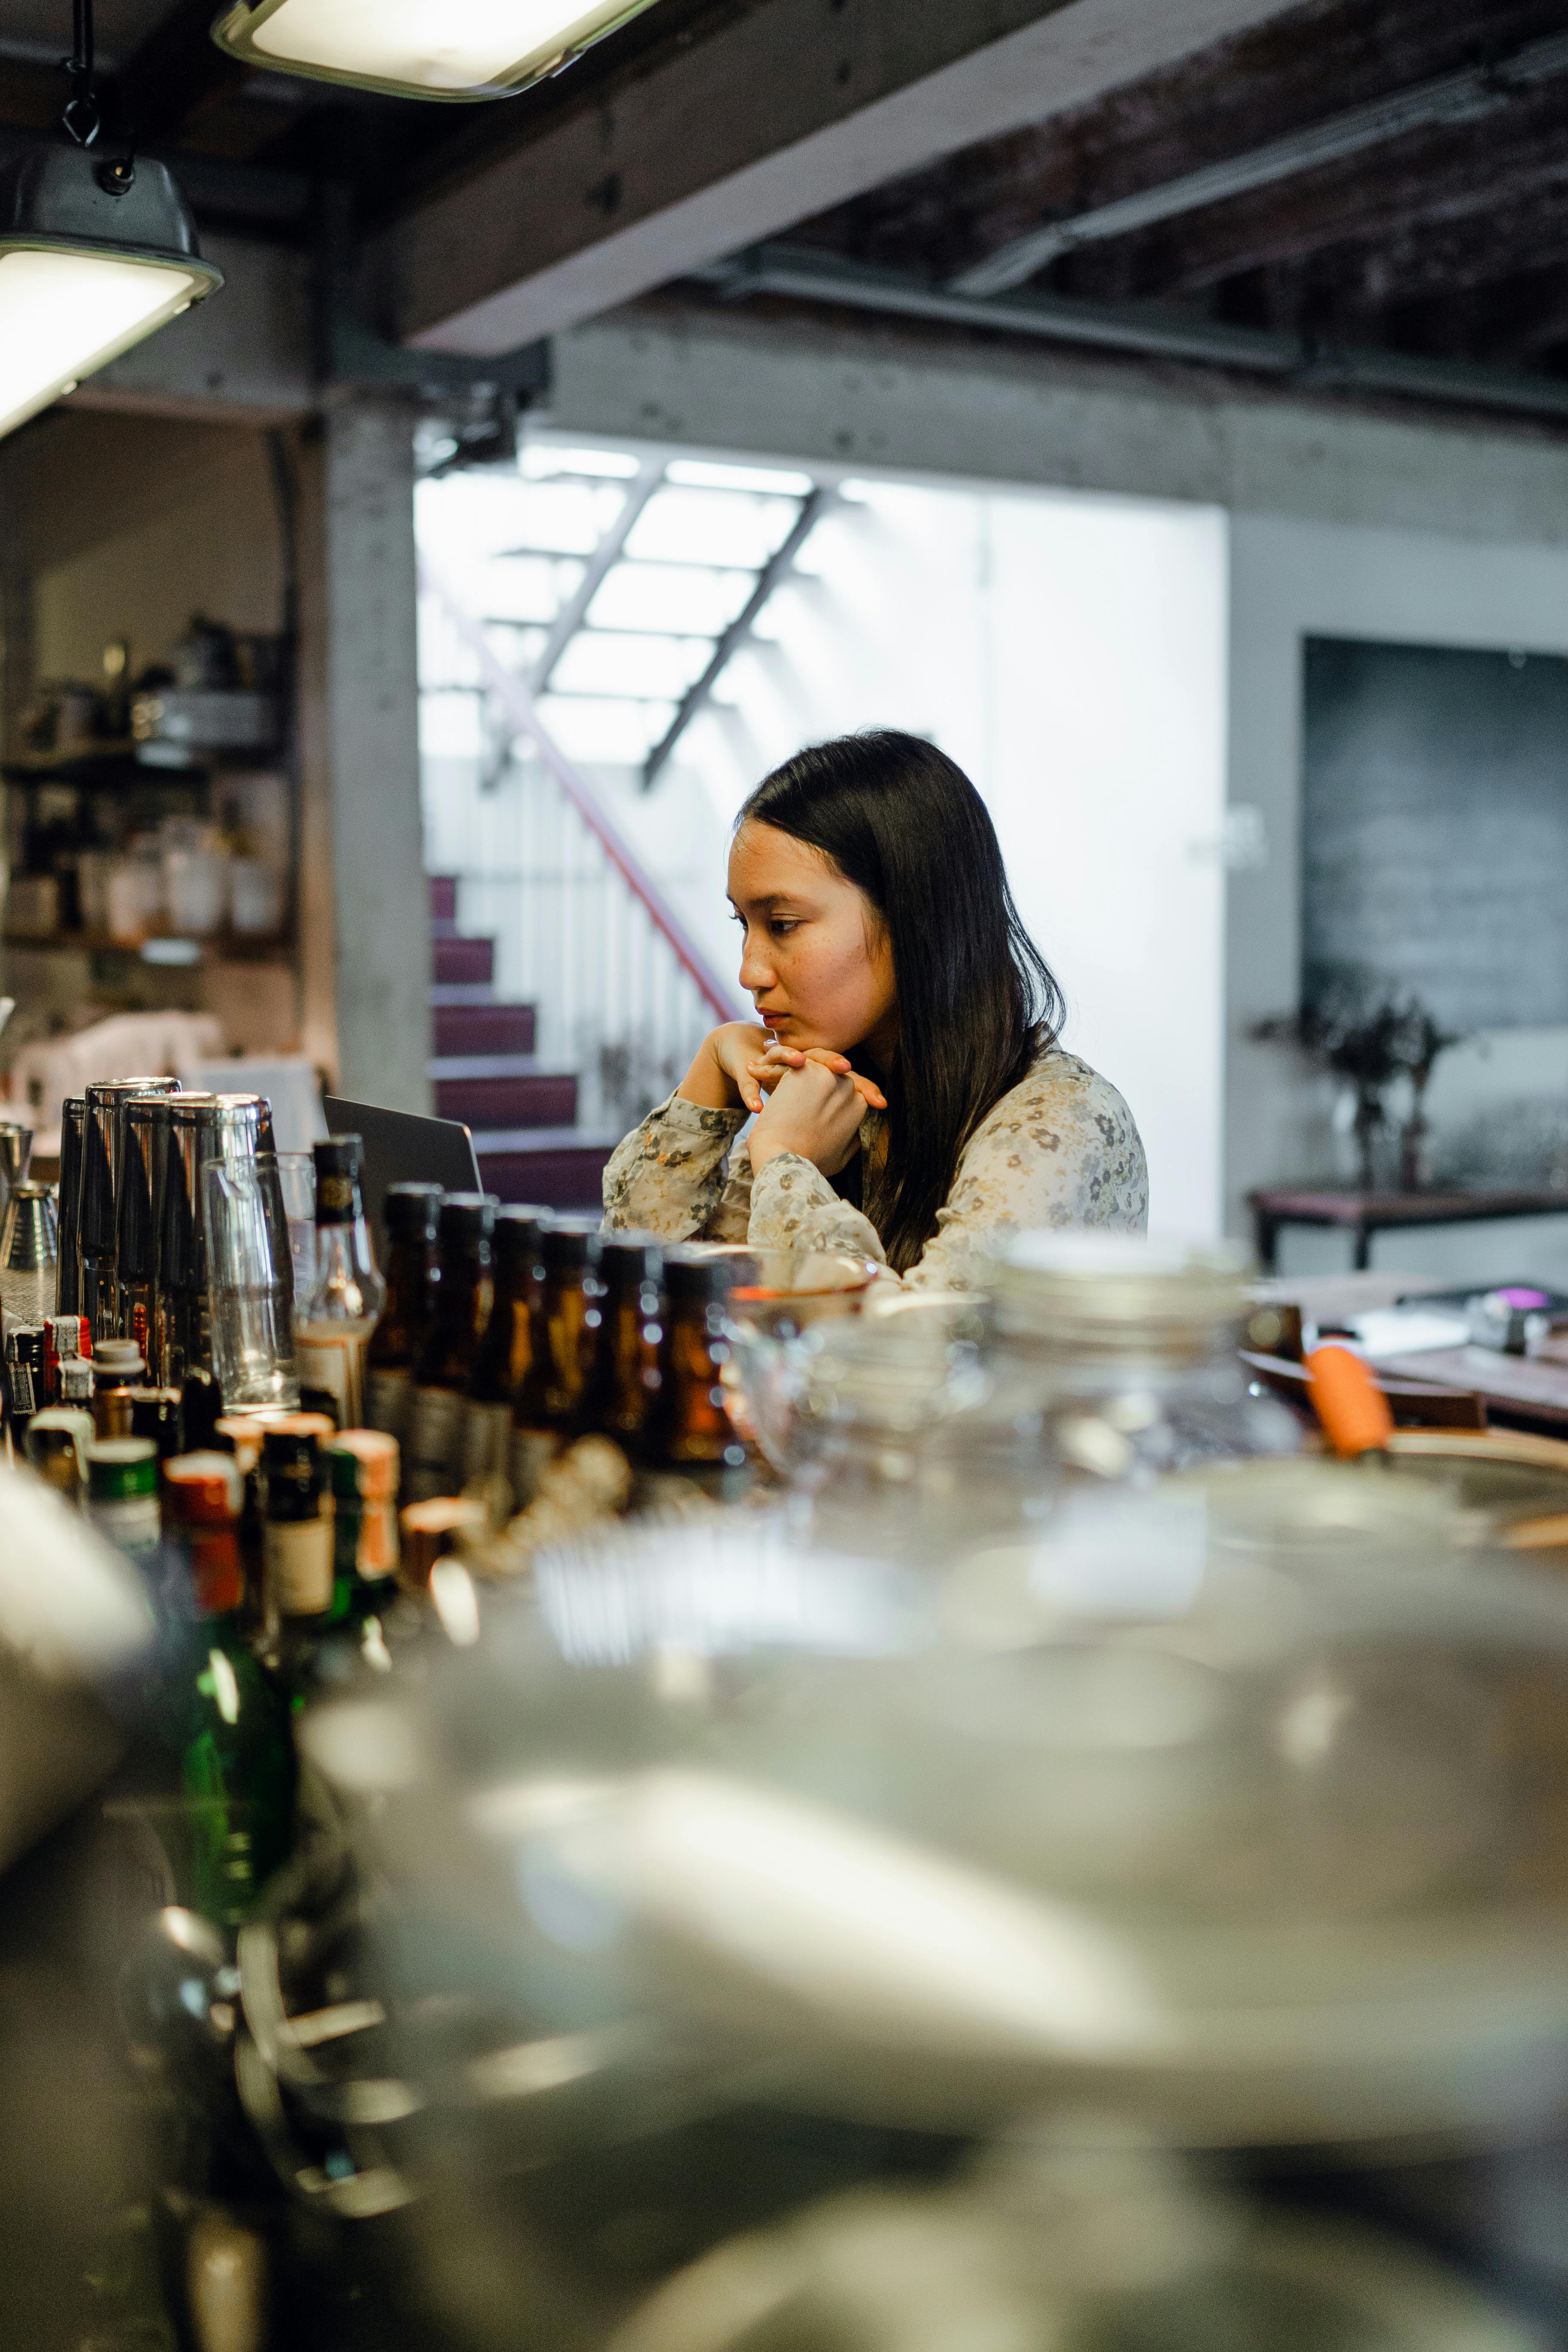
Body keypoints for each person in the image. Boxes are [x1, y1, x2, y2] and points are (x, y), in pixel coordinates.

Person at [603, 732, 1147, 1286]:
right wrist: (709, 1081)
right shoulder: (837, 1092)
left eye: (783, 925)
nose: (750, 972)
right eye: (744, 925)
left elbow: (912, 1352)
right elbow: (649, 1290)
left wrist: (786, 1163)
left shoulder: (1059, 1122)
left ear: (913, 918)